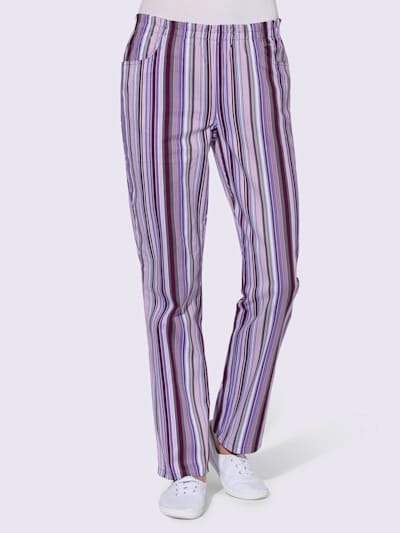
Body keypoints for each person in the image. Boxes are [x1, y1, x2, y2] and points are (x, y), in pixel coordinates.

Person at [120, 0, 300, 519]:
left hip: (254, 49)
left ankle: (231, 436)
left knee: (277, 275)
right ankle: (186, 462)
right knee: (171, 282)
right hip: (165, 51)